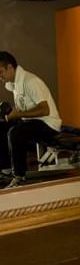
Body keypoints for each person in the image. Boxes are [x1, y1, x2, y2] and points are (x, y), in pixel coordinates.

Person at [0, 51, 62, 188]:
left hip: (49, 124)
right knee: (2, 126)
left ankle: (19, 176)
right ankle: (6, 170)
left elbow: (45, 110)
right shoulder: (14, 83)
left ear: (10, 67)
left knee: (16, 132)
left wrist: (18, 114)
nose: (0, 76)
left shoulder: (31, 81)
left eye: (1, 72)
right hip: (32, 122)